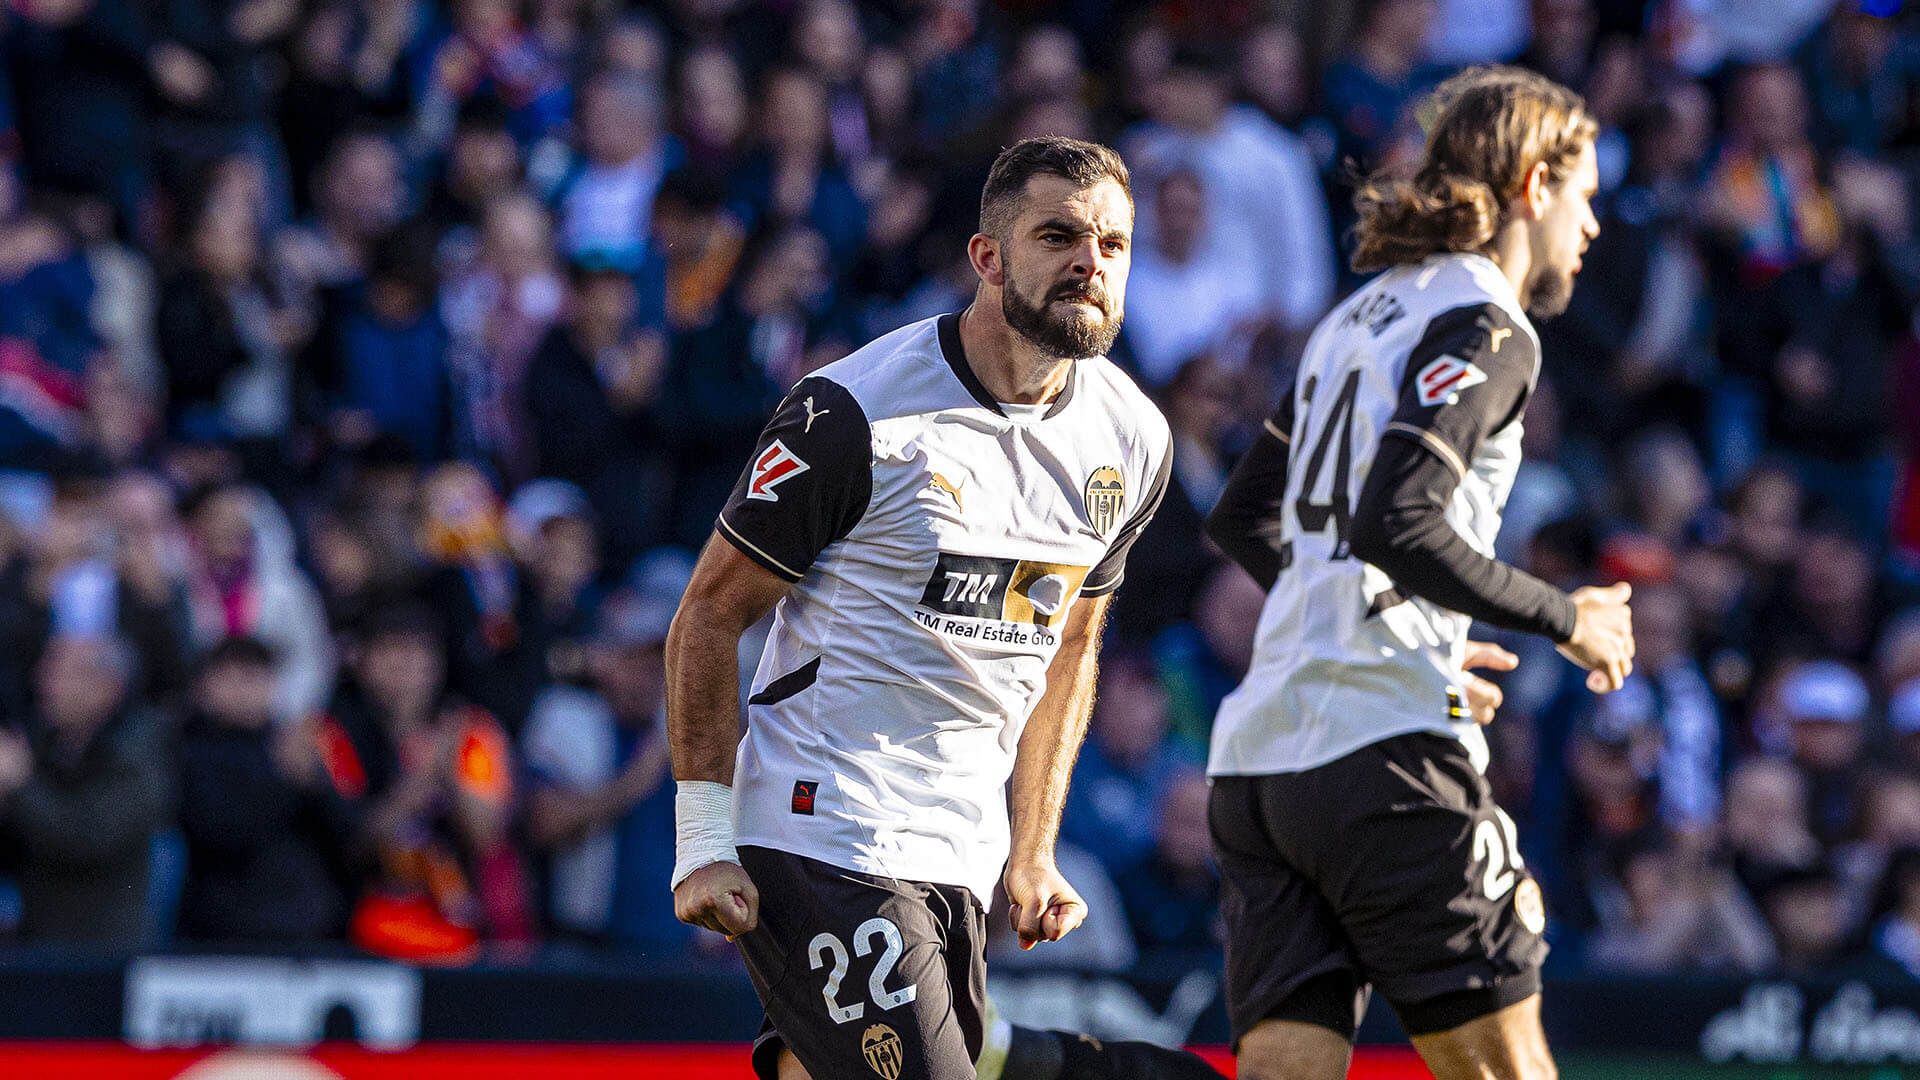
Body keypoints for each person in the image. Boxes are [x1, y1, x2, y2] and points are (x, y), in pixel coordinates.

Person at [667, 136, 1177, 1080]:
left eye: (1112, 244)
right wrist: (701, 838)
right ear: (988, 257)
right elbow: (706, 614)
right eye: (1058, 236)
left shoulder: (1133, 437)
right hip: (824, 818)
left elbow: (1071, 644)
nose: (1090, 262)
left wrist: (1032, 850)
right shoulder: (851, 412)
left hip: (961, 846)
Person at [1202, 67, 1634, 1080]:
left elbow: (1246, 514)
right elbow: (1397, 520)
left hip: (1261, 765)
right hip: (1381, 751)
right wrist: (1566, 617)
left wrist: (1388, 622)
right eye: (1585, 195)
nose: (1593, 225)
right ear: (1533, 184)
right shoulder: (1490, 324)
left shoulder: (1354, 319)